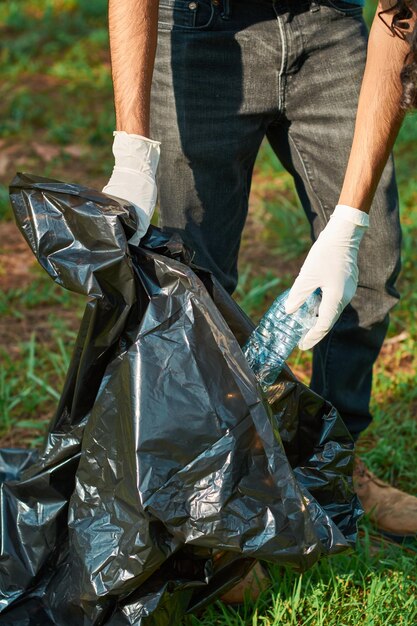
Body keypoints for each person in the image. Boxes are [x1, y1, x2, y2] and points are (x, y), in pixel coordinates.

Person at [102, 0, 417, 598]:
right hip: (201, 34)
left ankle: (333, 472)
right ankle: (224, 506)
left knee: (371, 264)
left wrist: (348, 226)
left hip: (331, 28)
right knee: (194, 284)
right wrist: (134, 150)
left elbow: (401, 14)